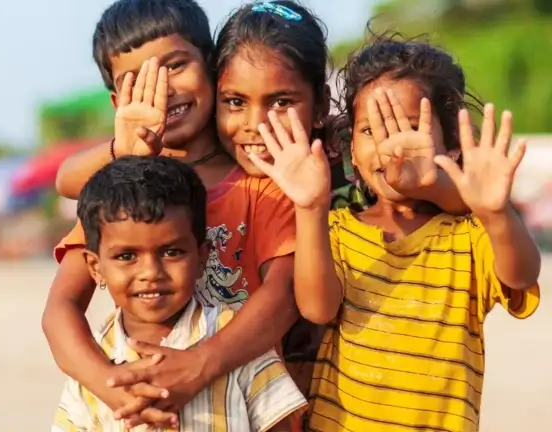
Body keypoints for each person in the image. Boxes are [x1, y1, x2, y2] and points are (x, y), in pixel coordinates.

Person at [247, 34, 541, 432]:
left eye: (408, 125)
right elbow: (318, 309)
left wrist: (494, 211)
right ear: (351, 150)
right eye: (370, 130)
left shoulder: (467, 235)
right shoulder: (336, 229)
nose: (391, 145)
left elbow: (521, 275)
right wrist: (310, 206)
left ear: (452, 143)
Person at [43, 0, 304, 428]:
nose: (162, 89)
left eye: (176, 65)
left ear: (213, 67)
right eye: (137, 81)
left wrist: (199, 365)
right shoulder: (126, 196)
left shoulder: (264, 181)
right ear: (115, 101)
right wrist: (113, 389)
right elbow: (60, 309)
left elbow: (284, 295)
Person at [52, 155, 307, 431]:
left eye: (171, 252)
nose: (151, 272)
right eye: (127, 256)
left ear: (201, 258)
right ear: (95, 267)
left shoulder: (236, 339)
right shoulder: (92, 358)